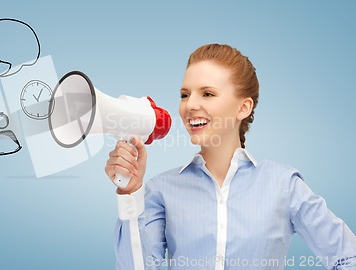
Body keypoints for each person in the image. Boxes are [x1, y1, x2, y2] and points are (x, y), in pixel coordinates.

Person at [105, 44, 356, 270]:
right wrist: (131, 193)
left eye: (207, 94)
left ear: (243, 107)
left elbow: (348, 258)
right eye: (184, 94)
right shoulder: (161, 190)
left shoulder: (284, 185)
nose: (190, 105)